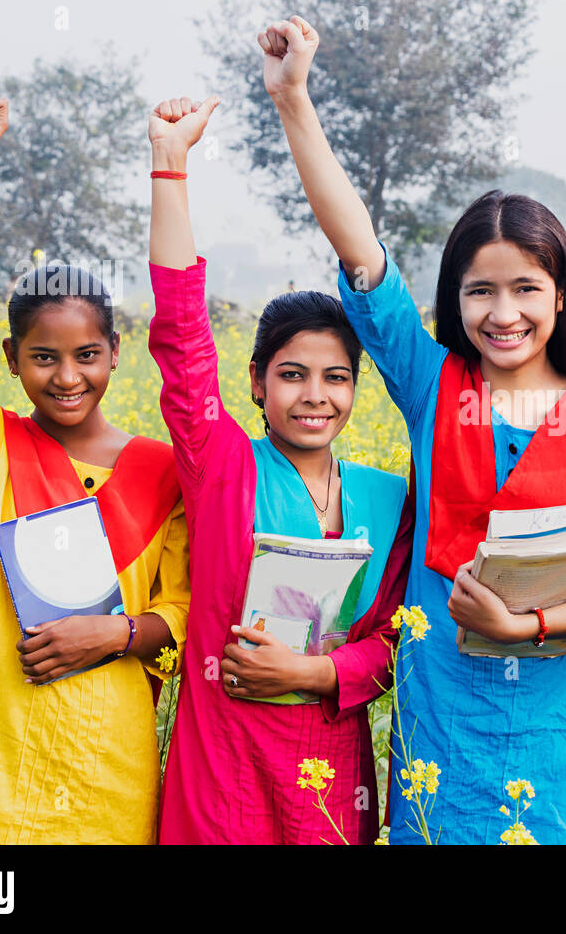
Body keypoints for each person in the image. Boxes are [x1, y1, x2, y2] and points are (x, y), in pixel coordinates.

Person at [259, 15, 566, 844]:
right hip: (441, 741)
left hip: (563, 752)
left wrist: (526, 627)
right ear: (454, 300)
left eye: (526, 287)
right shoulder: (432, 385)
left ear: (562, 297)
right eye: (479, 291)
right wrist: (294, 99)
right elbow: (363, 257)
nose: (503, 312)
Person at [0, 90, 189, 844]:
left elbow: (187, 610)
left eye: (87, 356)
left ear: (116, 354)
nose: (68, 377)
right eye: (44, 358)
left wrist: (117, 635)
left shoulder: (163, 472)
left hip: (106, 769)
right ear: (11, 361)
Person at [143, 97, 412, 844]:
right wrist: (171, 164)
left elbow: (397, 639)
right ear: (257, 382)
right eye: (293, 375)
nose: (315, 396)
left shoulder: (388, 500)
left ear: (357, 388)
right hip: (223, 767)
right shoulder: (222, 467)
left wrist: (318, 675)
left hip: (330, 774)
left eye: (335, 377)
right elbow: (181, 338)